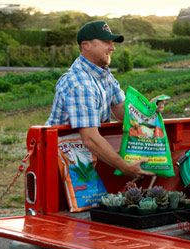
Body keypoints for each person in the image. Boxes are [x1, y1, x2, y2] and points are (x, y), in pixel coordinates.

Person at [46, 21, 163, 181]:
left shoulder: (105, 76)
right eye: (106, 42)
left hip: (80, 158)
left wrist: (149, 110)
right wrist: (124, 167)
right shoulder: (79, 83)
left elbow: (122, 111)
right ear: (86, 45)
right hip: (58, 162)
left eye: (112, 43)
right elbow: (90, 138)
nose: (112, 48)